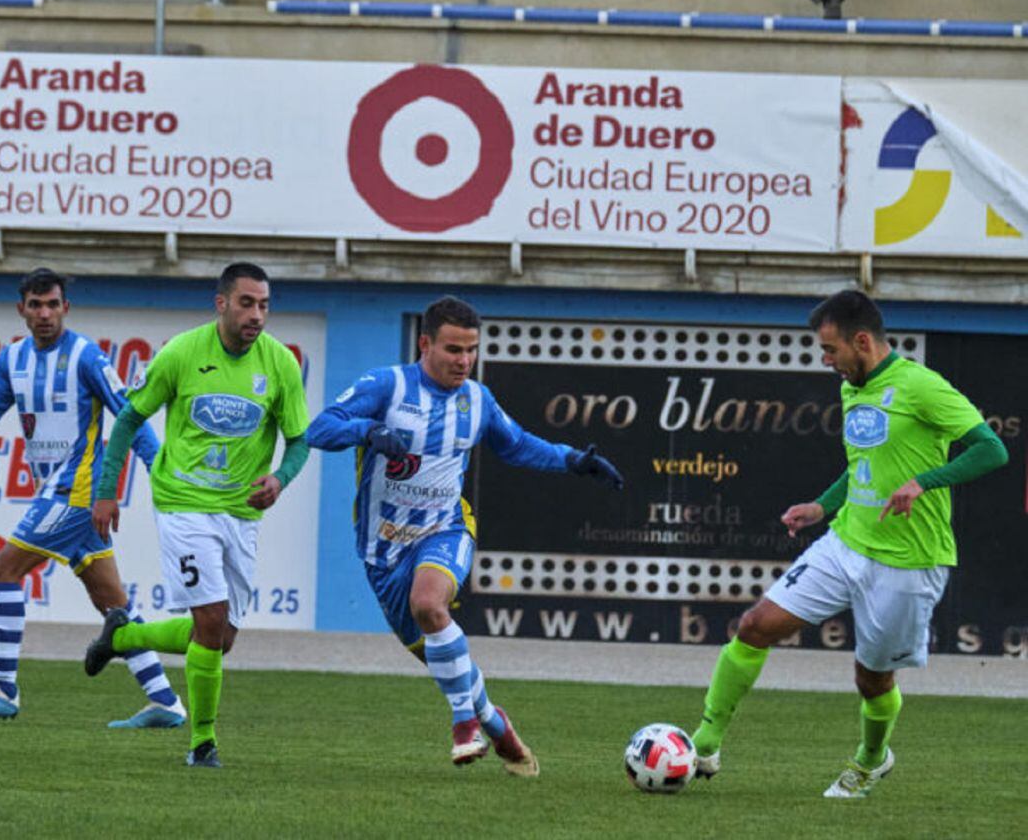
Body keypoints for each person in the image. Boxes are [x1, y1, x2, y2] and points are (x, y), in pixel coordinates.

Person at [690, 289, 1009, 798]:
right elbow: (863, 466)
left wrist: (924, 482)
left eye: (832, 350)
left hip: (908, 561)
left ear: (863, 341)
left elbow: (992, 451)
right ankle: (704, 742)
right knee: (755, 625)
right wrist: (822, 506)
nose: (827, 361)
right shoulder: (852, 387)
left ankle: (871, 758)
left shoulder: (921, 386)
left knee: (872, 681)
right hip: (845, 544)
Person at [305, 295, 624, 776]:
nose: (464, 361)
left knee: (430, 604)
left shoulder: (478, 400)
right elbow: (320, 429)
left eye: (471, 350)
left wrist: (573, 460)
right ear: (425, 343)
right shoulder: (386, 385)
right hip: (383, 553)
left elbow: (516, 446)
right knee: (442, 656)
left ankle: (463, 727)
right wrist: (368, 431)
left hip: (446, 528)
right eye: (454, 349)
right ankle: (495, 724)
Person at [84, 261, 310, 769]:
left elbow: (299, 442)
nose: (257, 314)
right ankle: (201, 742)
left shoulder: (280, 365)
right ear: (222, 303)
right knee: (209, 620)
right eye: (247, 303)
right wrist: (107, 491)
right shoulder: (181, 354)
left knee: (220, 638)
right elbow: (128, 421)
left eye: (265, 305)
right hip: (184, 504)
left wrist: (280, 478)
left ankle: (122, 635)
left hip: (240, 513)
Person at [0, 267, 186, 728]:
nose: (44, 314)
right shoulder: (11, 360)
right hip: (56, 492)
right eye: (35, 305)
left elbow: (131, 416)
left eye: (52, 304)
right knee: (114, 604)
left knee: (2, 569)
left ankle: (3, 688)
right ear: (21, 309)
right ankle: (166, 702)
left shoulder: (86, 357)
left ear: (65, 308)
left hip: (77, 492)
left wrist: (162, 477)